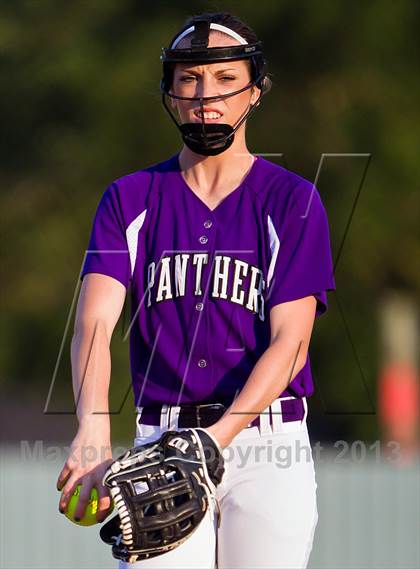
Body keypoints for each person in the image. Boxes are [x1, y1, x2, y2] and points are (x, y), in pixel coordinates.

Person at [57, 11, 336, 569]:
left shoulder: (291, 201)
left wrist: (217, 438)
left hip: (266, 445)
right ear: (170, 93)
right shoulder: (130, 198)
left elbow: (292, 344)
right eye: (189, 79)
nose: (207, 95)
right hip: (163, 442)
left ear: (254, 92)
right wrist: (92, 426)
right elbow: (94, 323)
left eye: (226, 79)